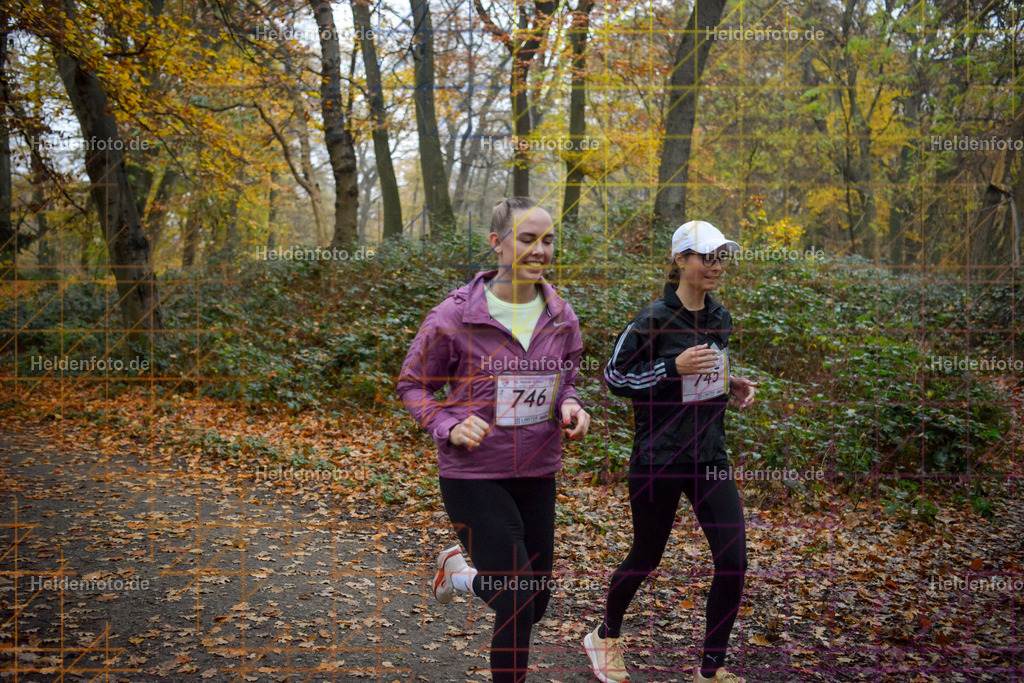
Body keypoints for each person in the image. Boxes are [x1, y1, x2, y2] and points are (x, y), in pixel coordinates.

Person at [396, 197, 591, 683]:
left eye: (547, 240)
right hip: (474, 472)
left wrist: (571, 405)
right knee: (516, 596)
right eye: (527, 239)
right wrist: (448, 425)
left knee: (535, 601)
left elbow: (567, 378)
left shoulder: (560, 314)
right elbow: (413, 385)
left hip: (538, 469)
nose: (540, 250)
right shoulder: (455, 315)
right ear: (496, 243)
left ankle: (460, 576)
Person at [583, 220, 757, 683]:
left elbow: (706, 372)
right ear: (681, 260)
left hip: (710, 457)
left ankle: (710, 669)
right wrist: (669, 366)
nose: (716, 266)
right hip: (659, 458)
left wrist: (730, 382)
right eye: (707, 256)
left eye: (722, 257)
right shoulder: (652, 319)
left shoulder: (720, 316)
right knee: (645, 556)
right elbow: (615, 379)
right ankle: (605, 635)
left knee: (734, 559)